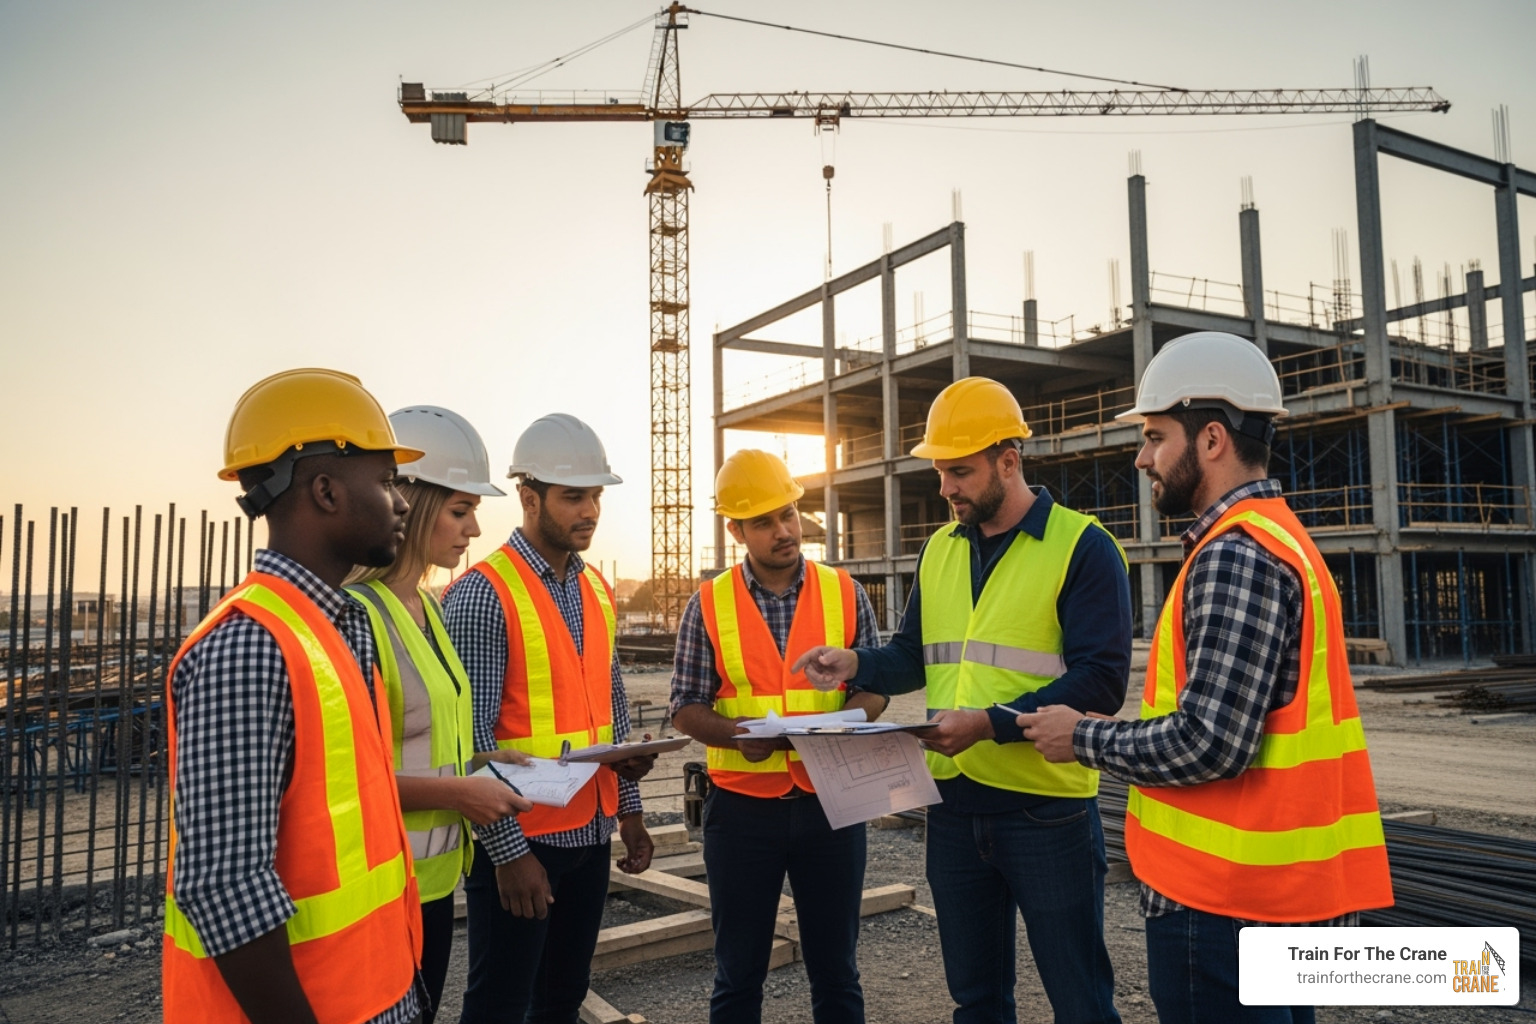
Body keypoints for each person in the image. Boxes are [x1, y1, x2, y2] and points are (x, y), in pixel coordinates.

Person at [1018, 331, 1394, 1024]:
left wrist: (1086, 737)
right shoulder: (1283, 538)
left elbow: (1210, 743)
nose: (1142, 458)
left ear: (1212, 438)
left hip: (1221, 906)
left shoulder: (1235, 556)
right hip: (1270, 900)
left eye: (1156, 436)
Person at [794, 376, 1130, 1024]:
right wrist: (856, 663)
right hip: (952, 809)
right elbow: (913, 655)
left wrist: (989, 725)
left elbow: (1100, 682)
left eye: (960, 472)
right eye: (941, 471)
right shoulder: (940, 552)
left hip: (1046, 812)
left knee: (1081, 1001)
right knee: (975, 1003)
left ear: (1009, 461)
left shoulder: (1083, 548)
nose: (946, 487)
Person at [163, 368, 428, 1024]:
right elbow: (226, 889)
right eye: (388, 481)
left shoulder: (337, 627)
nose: (402, 503)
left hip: (377, 993)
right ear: (326, 491)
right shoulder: (249, 646)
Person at [445, 412, 657, 1024]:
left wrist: (631, 815)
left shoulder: (594, 588)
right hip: (523, 841)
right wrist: (509, 855)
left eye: (596, 495)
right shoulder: (484, 593)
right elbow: (472, 741)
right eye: (573, 497)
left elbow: (611, 709)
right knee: (501, 1006)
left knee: (561, 1001)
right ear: (529, 497)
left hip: (590, 833)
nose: (590, 510)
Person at [669, 449, 885, 1024]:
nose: (784, 530)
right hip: (741, 812)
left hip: (830, 804)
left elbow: (877, 688)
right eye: (763, 521)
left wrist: (846, 721)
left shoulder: (845, 593)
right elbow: (684, 707)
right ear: (735, 528)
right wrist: (736, 734)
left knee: (836, 972)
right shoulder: (708, 605)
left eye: (788, 514)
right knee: (738, 975)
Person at [344, 406, 533, 1023]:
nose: (475, 529)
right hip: (375, 892)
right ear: (410, 502)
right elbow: (341, 780)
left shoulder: (429, 608)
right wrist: (459, 794)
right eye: (459, 510)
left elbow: (427, 737)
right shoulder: (358, 617)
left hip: (431, 886)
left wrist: (483, 761)